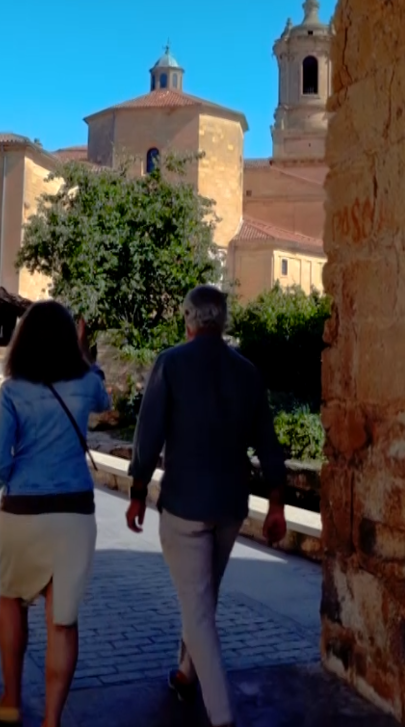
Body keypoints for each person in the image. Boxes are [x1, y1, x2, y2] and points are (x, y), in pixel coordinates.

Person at [125, 285, 287, 727]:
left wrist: (138, 489)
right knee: (203, 596)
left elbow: (148, 433)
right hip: (231, 507)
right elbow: (269, 444)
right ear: (224, 320)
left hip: (184, 506)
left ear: (188, 319)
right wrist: (276, 503)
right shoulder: (248, 373)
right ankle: (184, 672)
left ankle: (222, 716)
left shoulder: (171, 364)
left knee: (198, 608)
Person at [0, 301, 110, 727]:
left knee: (11, 601)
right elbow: (104, 399)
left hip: (22, 511)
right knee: (63, 620)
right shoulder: (87, 383)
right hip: (74, 513)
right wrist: (83, 351)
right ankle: (52, 721)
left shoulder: (13, 390)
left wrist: (0, 486)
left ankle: (12, 698)